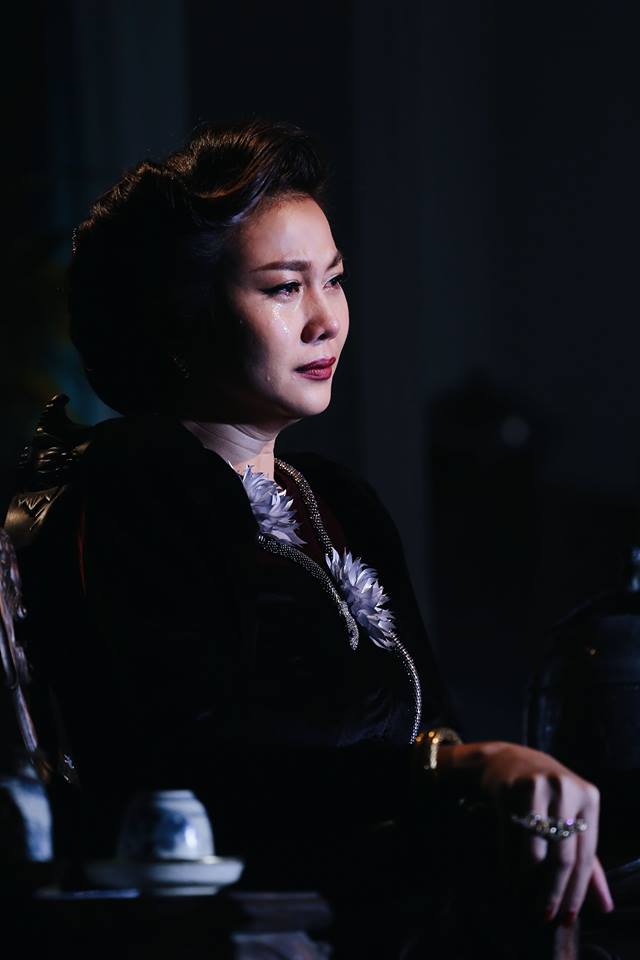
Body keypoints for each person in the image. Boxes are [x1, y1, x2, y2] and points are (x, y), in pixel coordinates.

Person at [4, 120, 613, 956]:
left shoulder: (338, 498)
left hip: (394, 912)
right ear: (181, 317)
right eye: (284, 289)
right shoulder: (138, 479)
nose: (326, 319)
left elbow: (434, 726)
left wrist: (486, 776)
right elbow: (203, 764)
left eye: (334, 279)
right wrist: (454, 772)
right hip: (252, 930)